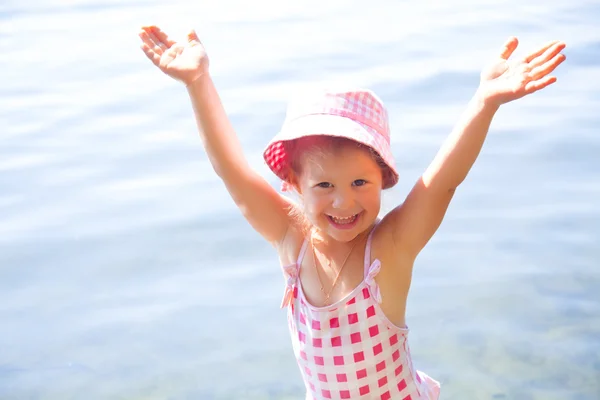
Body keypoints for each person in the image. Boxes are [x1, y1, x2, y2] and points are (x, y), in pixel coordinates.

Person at [138, 25, 566, 400]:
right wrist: (198, 82)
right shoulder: (292, 240)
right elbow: (230, 170)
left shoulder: (389, 250)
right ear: (292, 184)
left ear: (383, 178)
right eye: (324, 186)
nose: (344, 203)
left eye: (360, 183)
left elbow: (443, 181)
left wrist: (485, 102)